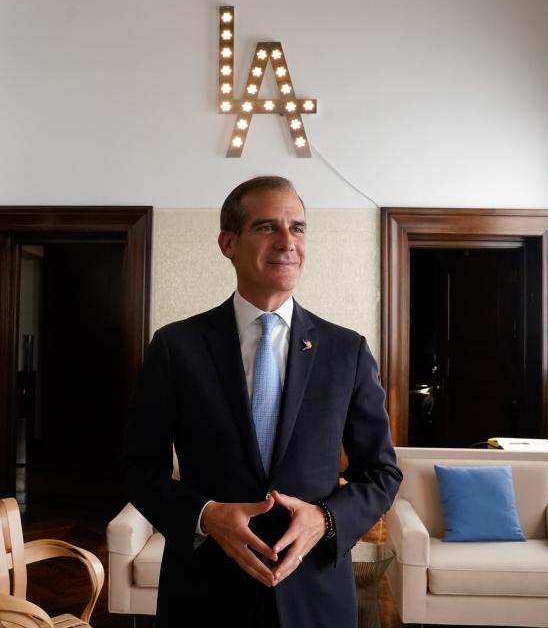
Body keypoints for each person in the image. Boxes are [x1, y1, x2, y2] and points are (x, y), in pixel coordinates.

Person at [120, 176, 402, 628]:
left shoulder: (346, 351)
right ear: (227, 243)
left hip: (315, 594)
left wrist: (325, 520)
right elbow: (137, 467)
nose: (288, 242)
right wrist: (206, 516)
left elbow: (382, 473)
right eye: (267, 227)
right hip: (206, 593)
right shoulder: (176, 347)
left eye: (299, 228)